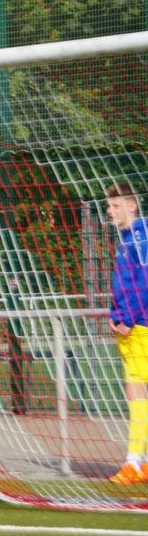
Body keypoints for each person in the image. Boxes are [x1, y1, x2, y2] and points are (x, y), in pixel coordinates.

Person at [105, 182, 148, 485]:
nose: (110, 211)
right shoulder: (129, 239)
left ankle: (134, 462)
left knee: (137, 392)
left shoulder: (139, 239)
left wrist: (127, 319)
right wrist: (114, 313)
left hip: (140, 327)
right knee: (139, 393)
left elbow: (143, 283)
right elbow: (125, 284)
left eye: (116, 205)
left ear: (132, 206)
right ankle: (140, 461)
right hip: (134, 324)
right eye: (109, 206)